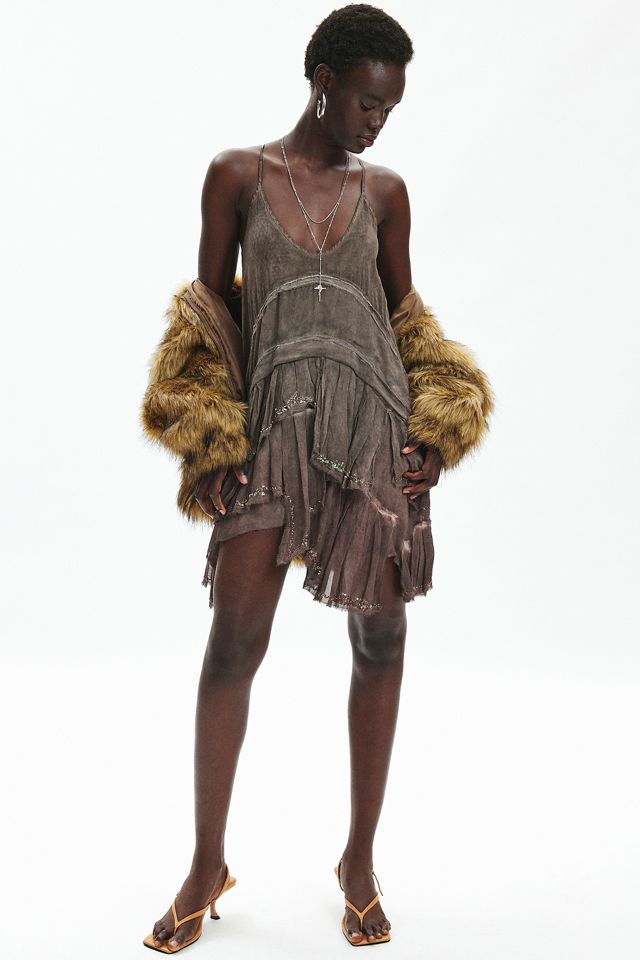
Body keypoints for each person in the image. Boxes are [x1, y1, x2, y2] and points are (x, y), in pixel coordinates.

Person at [143, 4, 474, 952]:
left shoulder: (385, 194)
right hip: (272, 437)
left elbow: (409, 324)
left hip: (372, 433)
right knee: (231, 646)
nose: (378, 122)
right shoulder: (237, 176)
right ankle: (206, 864)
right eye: (368, 102)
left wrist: (437, 430)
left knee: (381, 640)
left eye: (391, 109)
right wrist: (212, 444)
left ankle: (358, 862)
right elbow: (208, 321)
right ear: (323, 81)